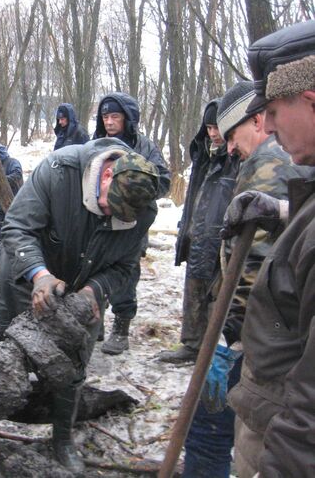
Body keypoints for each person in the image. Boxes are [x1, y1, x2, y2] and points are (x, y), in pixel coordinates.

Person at [0, 138, 160, 472]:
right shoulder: (58, 171)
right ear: (105, 175)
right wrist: (39, 275)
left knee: (74, 367)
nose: (110, 215)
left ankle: (61, 438)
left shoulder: (141, 209)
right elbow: (17, 227)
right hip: (18, 276)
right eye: (109, 205)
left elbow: (126, 266)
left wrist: (95, 290)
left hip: (81, 294)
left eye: (119, 214)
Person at [177, 80, 305, 477]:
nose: (229, 147)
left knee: (210, 428)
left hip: (257, 332)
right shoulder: (281, 160)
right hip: (270, 328)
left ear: (257, 120)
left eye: (233, 135)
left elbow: (257, 261)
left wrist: (228, 336)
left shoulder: (270, 164)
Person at [219, 20, 315, 478]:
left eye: (275, 110)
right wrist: (282, 212)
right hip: (272, 413)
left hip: (285, 438)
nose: (270, 126)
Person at [160, 99, 240, 365]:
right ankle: (192, 345)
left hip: (220, 238)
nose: (213, 134)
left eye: (217, 127)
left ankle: (214, 350)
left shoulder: (235, 158)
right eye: (208, 127)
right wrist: (186, 228)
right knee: (193, 289)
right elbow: (194, 196)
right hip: (198, 235)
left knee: (218, 298)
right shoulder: (202, 156)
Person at [92, 92, 171, 354]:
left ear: (128, 119)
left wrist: (136, 189)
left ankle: (121, 328)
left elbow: (164, 180)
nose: (110, 122)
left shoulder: (144, 147)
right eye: (105, 116)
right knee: (93, 271)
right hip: (98, 224)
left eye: (115, 116)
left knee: (125, 276)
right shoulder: (96, 145)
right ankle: (96, 323)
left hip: (132, 225)